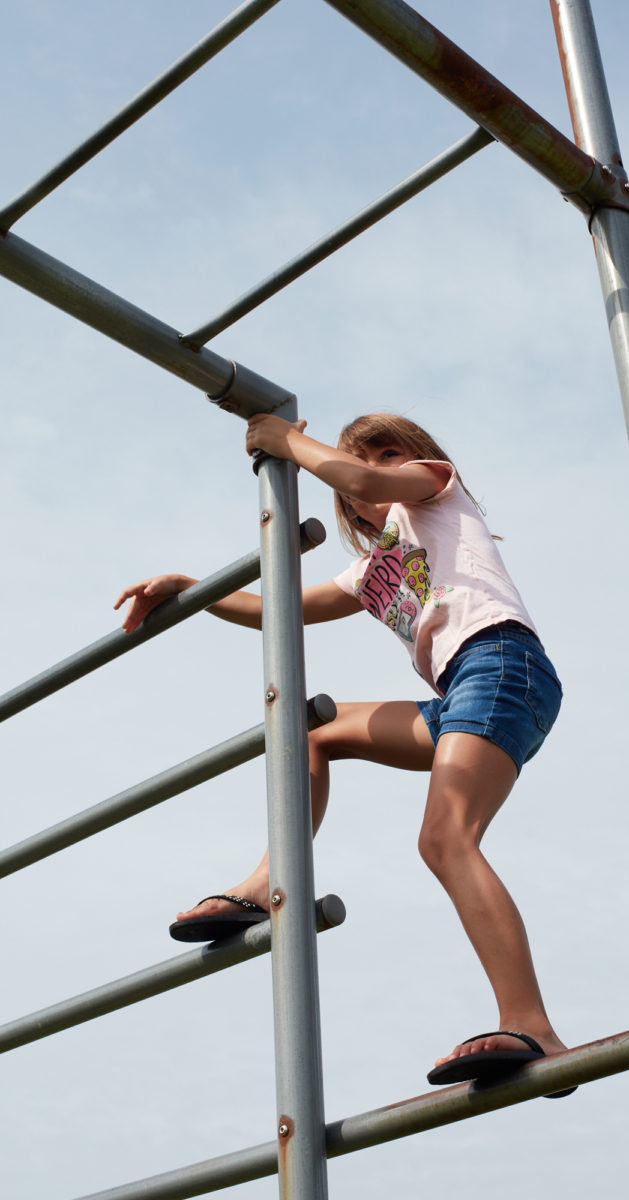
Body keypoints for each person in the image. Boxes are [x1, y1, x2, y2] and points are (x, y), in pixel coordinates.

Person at [115, 412, 572, 1091]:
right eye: (366, 461)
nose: (378, 466)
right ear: (349, 505)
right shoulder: (376, 566)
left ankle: (532, 1023)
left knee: (445, 839)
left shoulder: (436, 491)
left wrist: (287, 444)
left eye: (391, 452)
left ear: (413, 459)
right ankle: (269, 881)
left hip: (501, 663)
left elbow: (359, 474)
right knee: (312, 730)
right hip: (458, 694)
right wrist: (191, 590)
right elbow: (283, 607)